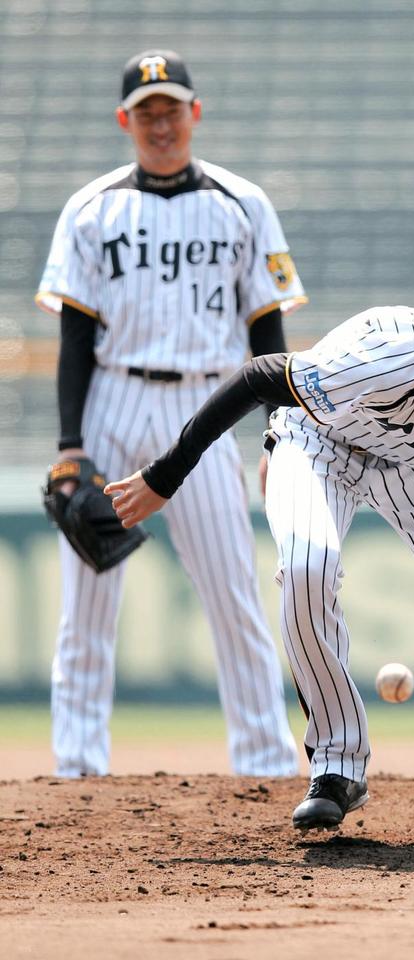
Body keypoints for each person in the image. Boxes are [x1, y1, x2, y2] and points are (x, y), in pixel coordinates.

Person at [106, 260, 414, 835]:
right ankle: (336, 767)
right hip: (321, 441)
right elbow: (259, 375)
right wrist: (164, 478)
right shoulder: (393, 359)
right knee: (309, 566)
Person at [36, 50, 305, 778]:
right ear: (126, 120)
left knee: (233, 596)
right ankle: (79, 766)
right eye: (147, 111)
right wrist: (70, 446)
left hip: (205, 406)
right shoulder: (91, 209)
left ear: (196, 112)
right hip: (112, 401)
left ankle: (265, 762)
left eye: (172, 107)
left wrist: (277, 435)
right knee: (86, 606)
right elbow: (73, 337)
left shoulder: (242, 202)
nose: (161, 122)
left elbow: (267, 332)